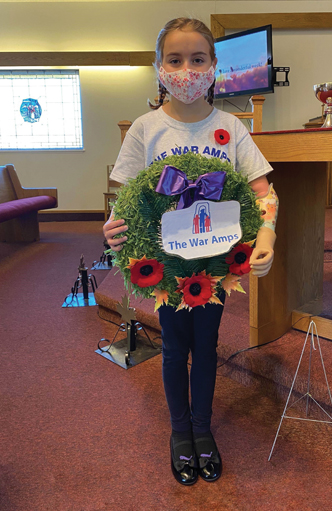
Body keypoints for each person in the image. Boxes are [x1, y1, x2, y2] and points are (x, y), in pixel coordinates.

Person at [103, 17, 278, 486]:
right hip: (167, 266)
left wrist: (266, 236)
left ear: (214, 67)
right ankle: (181, 433)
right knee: (174, 346)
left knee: (207, 347)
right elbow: (126, 199)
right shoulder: (145, 128)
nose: (186, 69)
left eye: (197, 59)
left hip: (215, 265)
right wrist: (113, 226)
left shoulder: (230, 128)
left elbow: (263, 191)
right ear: (159, 68)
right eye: (175, 60)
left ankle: (203, 430)